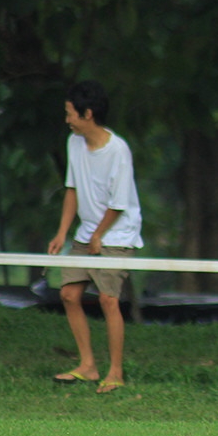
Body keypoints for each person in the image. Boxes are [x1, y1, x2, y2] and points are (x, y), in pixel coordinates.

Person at [48, 81, 143, 394]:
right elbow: (72, 189)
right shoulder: (74, 143)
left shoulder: (118, 150)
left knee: (108, 299)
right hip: (87, 232)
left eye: (70, 114)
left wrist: (99, 235)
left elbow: (119, 203)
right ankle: (87, 366)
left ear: (87, 113)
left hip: (117, 234)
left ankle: (115, 371)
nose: (67, 120)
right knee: (69, 295)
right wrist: (63, 233)